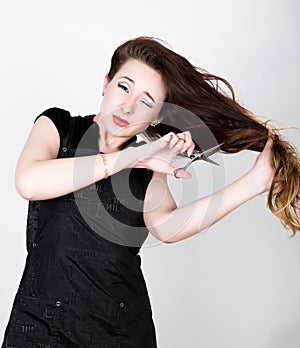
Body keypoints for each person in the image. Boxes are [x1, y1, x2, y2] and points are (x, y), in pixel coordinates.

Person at [1, 36, 299, 348]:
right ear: (106, 82)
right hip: (38, 328)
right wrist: (135, 156)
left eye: (145, 102)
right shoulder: (59, 126)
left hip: (119, 332)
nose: (128, 106)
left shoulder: (152, 163)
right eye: (124, 87)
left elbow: (167, 227)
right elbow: (29, 182)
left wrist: (253, 182)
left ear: (157, 117)